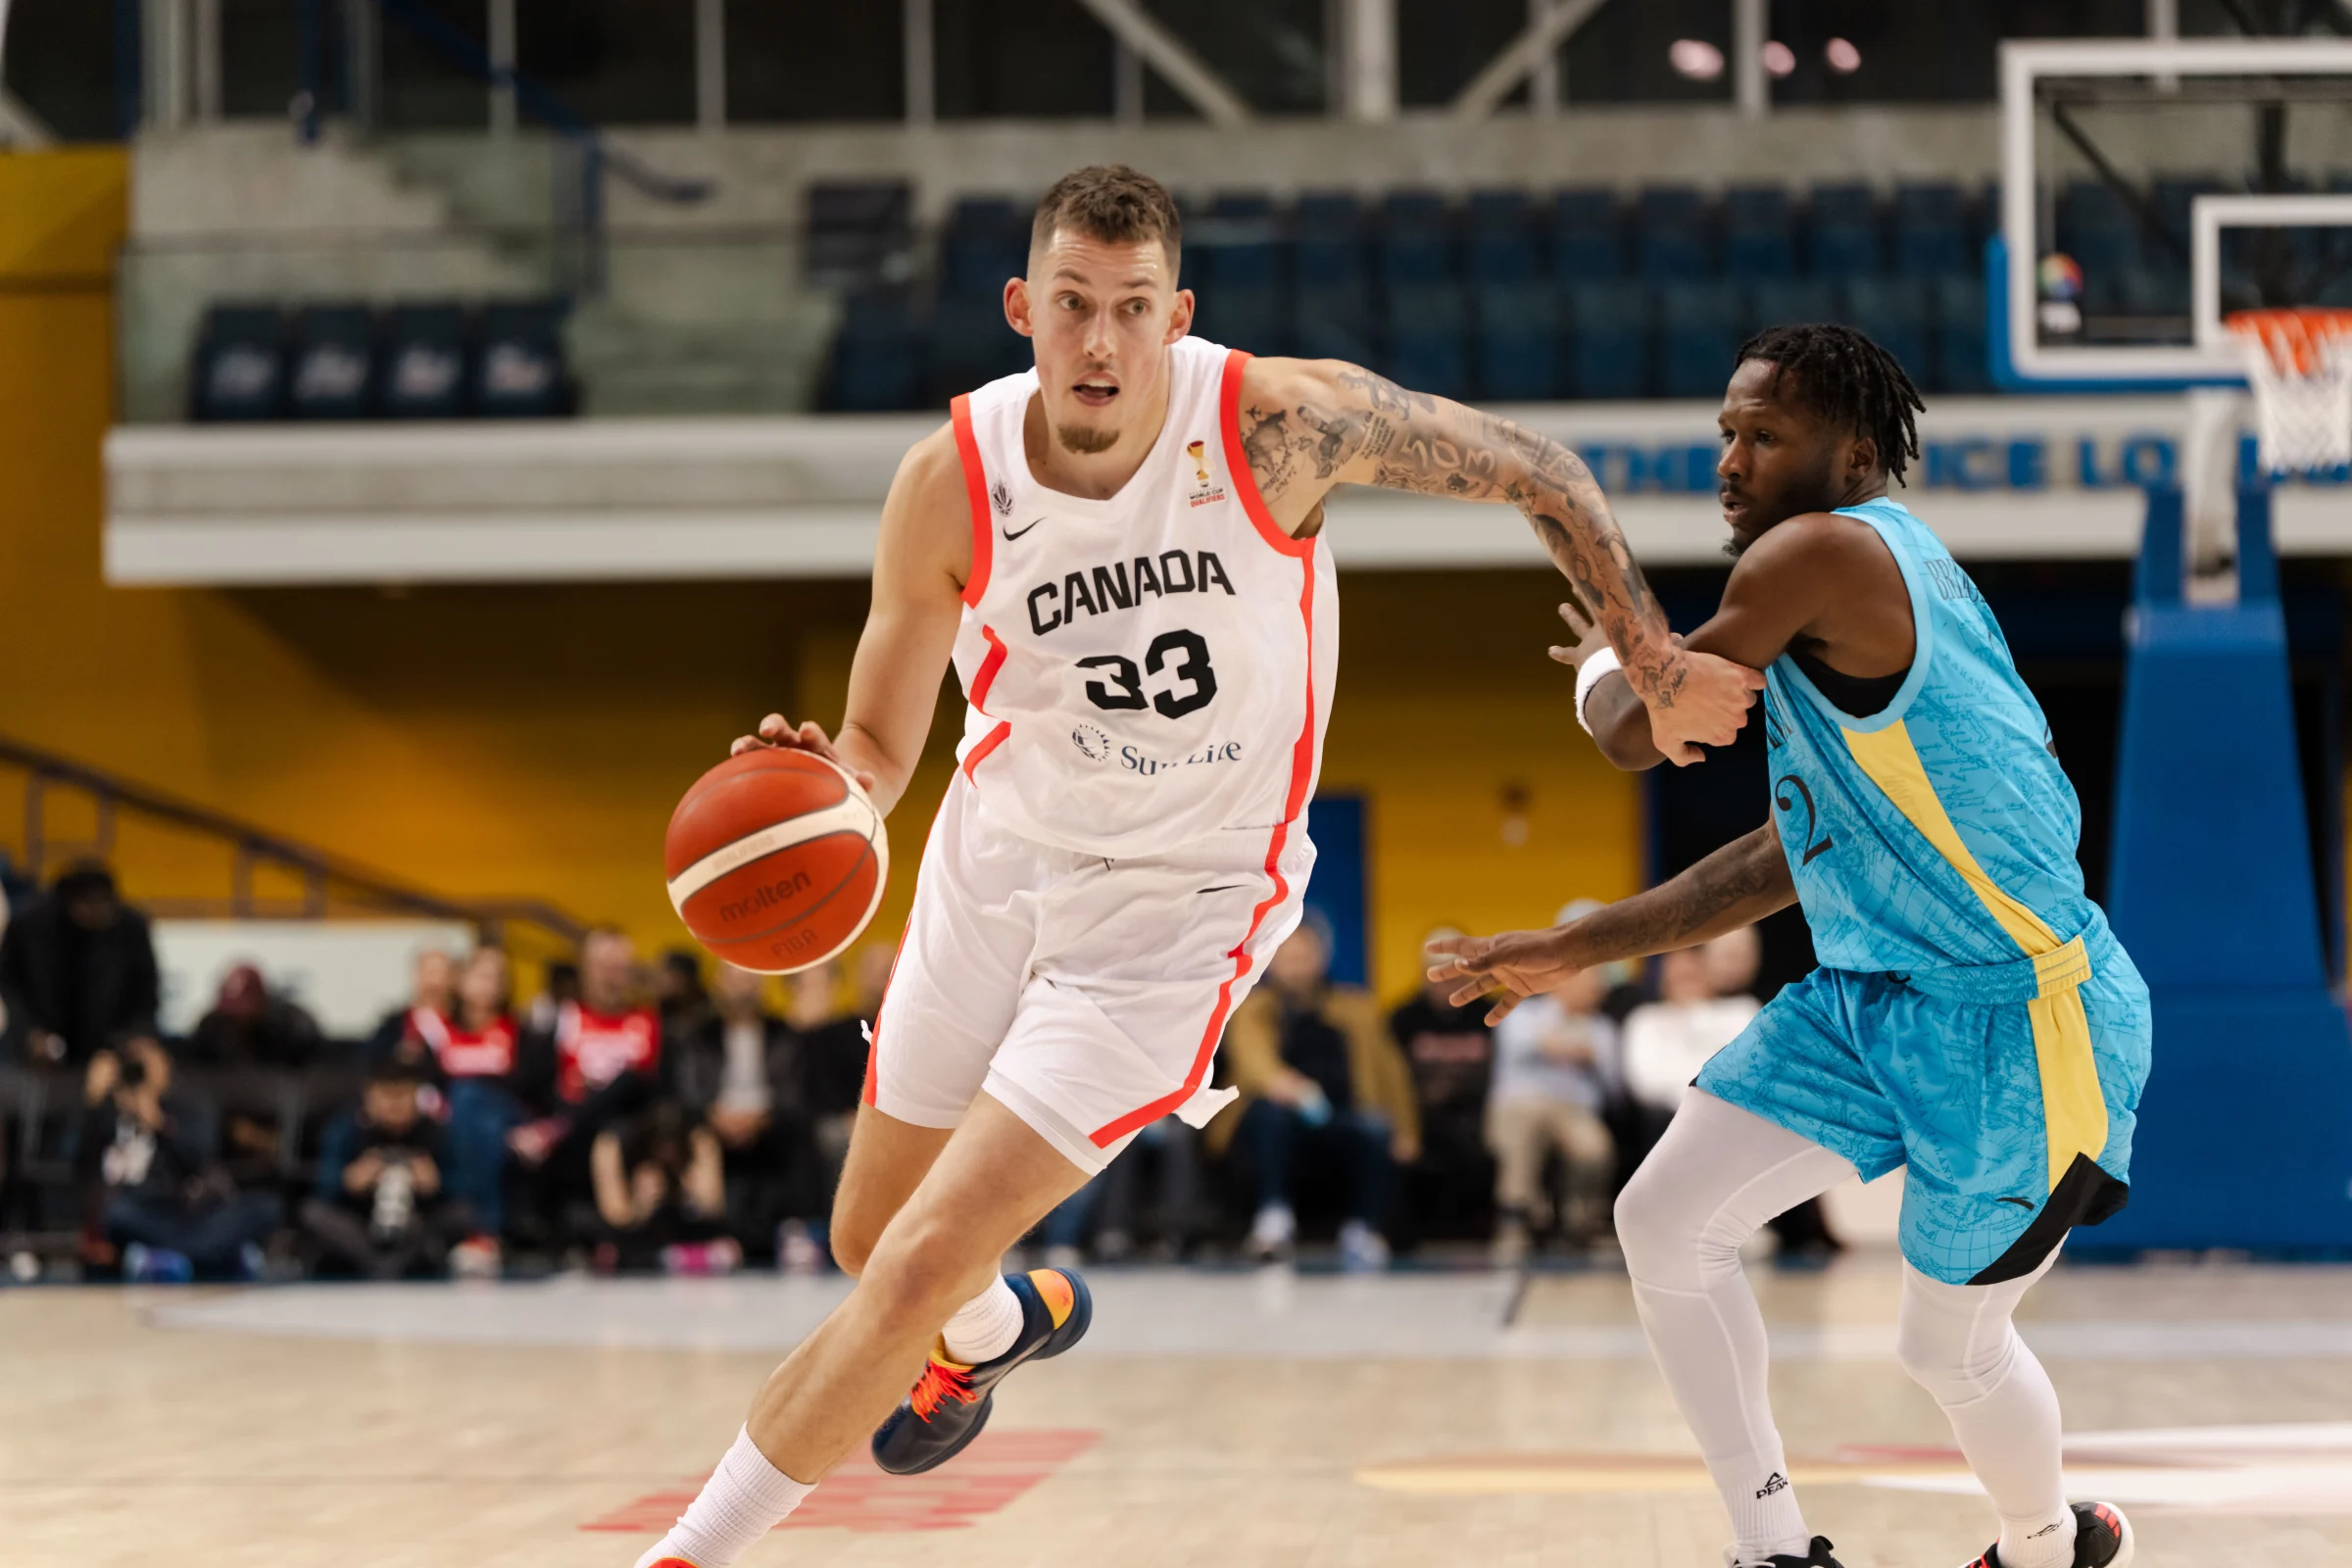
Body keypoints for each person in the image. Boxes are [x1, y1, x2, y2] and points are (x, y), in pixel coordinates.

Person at [633, 163, 1758, 1568]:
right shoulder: (947, 486)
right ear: (1019, 310)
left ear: (1178, 315)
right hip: (997, 863)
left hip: (1176, 915)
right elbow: (877, 737)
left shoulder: (1276, 426)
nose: (1100, 342)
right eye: (1070, 306)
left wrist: (1648, 654)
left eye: (1130, 308)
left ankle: (686, 1550)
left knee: (916, 1257)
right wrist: (828, 788)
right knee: (875, 1243)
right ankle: (998, 1333)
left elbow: (1541, 468)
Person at [1431, 324, 2146, 1568]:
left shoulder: (1820, 555)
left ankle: (2050, 1543)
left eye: (1767, 436)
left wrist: (1609, 652)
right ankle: (1774, 1550)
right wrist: (1578, 944)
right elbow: (1783, 854)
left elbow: (1638, 734)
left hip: (2019, 1017)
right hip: (1873, 995)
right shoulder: (1825, 591)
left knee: (1945, 1350)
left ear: (1855, 454)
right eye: (1727, 431)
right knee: (1663, 1219)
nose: (1733, 458)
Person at [1218, 919, 1418, 1270]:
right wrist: (1284, 1085)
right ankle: (1273, 1219)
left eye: (1304, 955)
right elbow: (1252, 1061)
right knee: (1271, 1114)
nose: (1296, 965)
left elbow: (1392, 1073)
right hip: (1274, 1119)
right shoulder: (1251, 1007)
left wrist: (1407, 1130)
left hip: (1341, 1115)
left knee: (1374, 1128)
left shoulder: (1358, 1008)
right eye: (1287, 956)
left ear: (1322, 956)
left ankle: (1364, 1230)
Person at [508, 928, 663, 1248]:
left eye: (618, 967)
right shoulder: (562, 1020)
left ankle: (621, 1230)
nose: (610, 977)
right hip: (575, 1135)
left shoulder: (648, 1022)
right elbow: (537, 1085)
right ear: (584, 969)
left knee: (627, 1086)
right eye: (602, 966)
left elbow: (653, 1089)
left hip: (631, 1128)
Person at [76, 1035, 279, 1281]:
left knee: (266, 1207)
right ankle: (211, 1257)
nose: (141, 1069)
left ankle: (161, 1258)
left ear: (165, 1062)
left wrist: (159, 1123)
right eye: (134, 1061)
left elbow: (197, 1158)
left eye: (147, 1059)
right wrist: (92, 1102)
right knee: (116, 1213)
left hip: (190, 1212)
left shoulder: (189, 1104)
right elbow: (75, 1164)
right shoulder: (110, 1111)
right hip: (141, 1212)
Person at [1485, 901, 1618, 1262]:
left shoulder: (1602, 1028)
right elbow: (1524, 1045)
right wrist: (1569, 1049)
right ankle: (1517, 1219)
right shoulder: (1523, 1012)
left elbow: (1614, 1082)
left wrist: (1574, 1051)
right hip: (1520, 1106)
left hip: (1574, 1110)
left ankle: (1581, 1224)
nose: (1594, 989)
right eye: (1587, 980)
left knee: (1594, 1147)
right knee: (1521, 1128)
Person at [670, 961, 819, 1268]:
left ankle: (797, 1229)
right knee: (691, 1135)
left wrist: (759, 1118)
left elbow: (794, 1090)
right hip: (715, 1122)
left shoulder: (783, 1034)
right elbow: (688, 1092)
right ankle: (711, 1237)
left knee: (804, 1129)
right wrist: (716, 1117)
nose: (743, 988)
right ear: (719, 985)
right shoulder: (698, 1035)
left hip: (770, 1121)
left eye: (749, 979)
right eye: (735, 980)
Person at [302, 1060, 473, 1279]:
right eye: (386, 1095)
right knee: (314, 1214)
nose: (395, 1106)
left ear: (417, 1097)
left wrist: (436, 1184)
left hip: (418, 1225)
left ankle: (392, 1264)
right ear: (369, 1097)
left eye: (402, 1096)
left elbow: (465, 1186)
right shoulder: (346, 1129)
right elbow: (322, 1185)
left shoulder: (438, 1132)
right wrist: (348, 1181)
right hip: (361, 1225)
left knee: (462, 1214)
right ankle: (381, 1265)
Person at [1386, 924, 1495, 1247]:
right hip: (1420, 1119)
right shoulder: (1402, 1018)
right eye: (1437, 972)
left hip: (1478, 1118)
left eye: (1454, 971)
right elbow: (1389, 1082)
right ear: (1423, 974)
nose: (1446, 980)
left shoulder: (1490, 1012)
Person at [0, 862, 160, 1067]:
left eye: (105, 903)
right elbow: (9, 983)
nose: (100, 912)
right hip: (39, 1049)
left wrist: (136, 1034)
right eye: (91, 905)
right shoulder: (30, 928)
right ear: (72, 903)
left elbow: (146, 990)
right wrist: (28, 1032)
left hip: (110, 1048)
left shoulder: (130, 928)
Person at [591, 1101, 737, 1275]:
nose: (667, 1153)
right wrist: (640, 1205)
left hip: (686, 1233)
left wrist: (688, 1186)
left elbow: (712, 1205)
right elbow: (614, 1214)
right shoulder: (615, 1140)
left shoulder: (698, 1138)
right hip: (633, 1241)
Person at [185, 962, 323, 1068]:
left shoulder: (291, 1027)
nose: (237, 1019)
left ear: (260, 1001)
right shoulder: (211, 1028)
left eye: (242, 1008)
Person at [368, 947, 456, 1064]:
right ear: (417, 974)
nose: (435, 981)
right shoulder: (394, 1025)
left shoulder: (463, 1023)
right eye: (430, 972)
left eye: (442, 973)